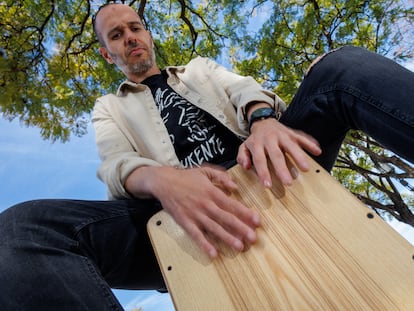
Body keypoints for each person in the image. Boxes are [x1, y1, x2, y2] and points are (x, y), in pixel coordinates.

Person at [0, 3, 412, 310]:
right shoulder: (109, 106)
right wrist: (163, 181)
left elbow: (242, 89)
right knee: (20, 229)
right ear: (108, 54)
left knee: (341, 67)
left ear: (148, 35)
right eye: (116, 35)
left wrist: (264, 120)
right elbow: (114, 165)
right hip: (176, 219)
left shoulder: (197, 69)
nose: (129, 37)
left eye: (134, 27)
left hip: (267, 166)